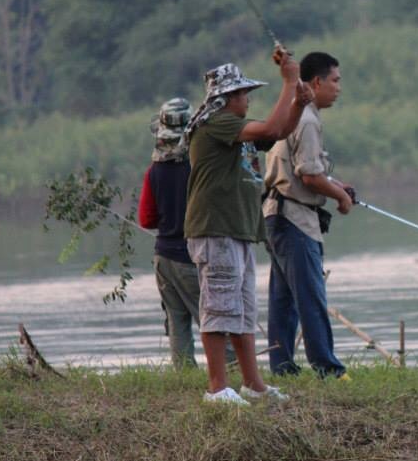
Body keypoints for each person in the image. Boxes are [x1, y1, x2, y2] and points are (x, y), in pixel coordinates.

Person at [184, 49, 310, 404]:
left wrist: (297, 102)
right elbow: (271, 126)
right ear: (225, 99)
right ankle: (216, 388)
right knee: (218, 307)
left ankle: (253, 385)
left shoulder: (235, 128)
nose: (247, 99)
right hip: (214, 227)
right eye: (242, 94)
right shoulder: (218, 124)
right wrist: (288, 81)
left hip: (236, 229)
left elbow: (280, 129)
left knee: (240, 311)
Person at [263, 51, 355, 379]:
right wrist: (341, 197)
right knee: (310, 295)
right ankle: (328, 369)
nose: (338, 88)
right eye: (335, 80)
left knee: (283, 298)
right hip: (294, 219)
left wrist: (335, 184)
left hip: (276, 215)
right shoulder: (308, 119)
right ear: (316, 82)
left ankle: (282, 367)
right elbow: (309, 176)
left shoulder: (295, 114)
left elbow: (308, 171)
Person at [138, 97, 235, 369]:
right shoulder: (201, 167)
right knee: (212, 317)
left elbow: (146, 219)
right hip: (193, 257)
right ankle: (234, 369)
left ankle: (184, 375)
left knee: (177, 321)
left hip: (164, 260)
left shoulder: (153, 171)